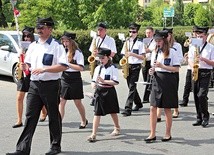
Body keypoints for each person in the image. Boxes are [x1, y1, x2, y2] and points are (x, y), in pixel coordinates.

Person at [6, 17, 68, 155]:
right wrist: (24, 66)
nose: (39, 30)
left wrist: (45, 69)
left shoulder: (56, 46)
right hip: (34, 84)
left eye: (42, 28)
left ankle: (55, 145)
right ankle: (22, 148)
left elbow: (63, 66)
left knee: (53, 115)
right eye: (38, 28)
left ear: (50, 29)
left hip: (51, 85)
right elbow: (28, 64)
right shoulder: (33, 45)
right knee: (30, 116)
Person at [144, 30, 180, 143]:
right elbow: (153, 66)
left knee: (167, 108)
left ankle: (168, 133)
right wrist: (151, 70)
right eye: (156, 41)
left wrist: (163, 66)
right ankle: (152, 133)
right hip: (156, 79)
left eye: (159, 41)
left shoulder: (172, 52)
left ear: (164, 40)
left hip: (168, 80)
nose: (157, 43)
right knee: (152, 107)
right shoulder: (155, 52)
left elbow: (176, 69)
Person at [13, 26, 47, 128]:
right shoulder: (21, 47)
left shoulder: (36, 46)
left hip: (32, 74)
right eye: (24, 36)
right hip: (23, 75)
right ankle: (19, 120)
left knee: (38, 96)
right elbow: (20, 61)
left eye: (28, 36)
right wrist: (21, 56)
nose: (26, 38)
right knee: (19, 98)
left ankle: (44, 111)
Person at [87, 48, 120, 142]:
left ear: (108, 57)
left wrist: (104, 81)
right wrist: (93, 85)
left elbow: (116, 82)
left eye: (102, 58)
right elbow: (93, 81)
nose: (101, 60)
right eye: (100, 58)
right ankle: (93, 134)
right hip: (100, 91)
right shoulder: (98, 68)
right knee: (97, 113)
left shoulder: (113, 68)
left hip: (109, 91)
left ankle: (117, 128)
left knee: (112, 111)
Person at [59, 31, 88, 129]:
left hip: (75, 78)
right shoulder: (63, 51)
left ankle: (83, 120)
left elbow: (81, 68)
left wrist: (68, 64)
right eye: (64, 41)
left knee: (77, 102)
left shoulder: (78, 52)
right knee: (62, 100)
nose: (65, 43)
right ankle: (59, 122)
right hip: (65, 77)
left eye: (67, 41)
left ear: (71, 41)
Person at [188, 26, 214, 128]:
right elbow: (189, 59)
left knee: (201, 95)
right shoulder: (193, 46)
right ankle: (199, 117)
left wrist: (203, 59)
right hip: (195, 70)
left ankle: (205, 116)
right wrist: (192, 66)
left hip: (205, 72)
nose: (199, 38)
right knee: (195, 95)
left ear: (206, 36)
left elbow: (213, 63)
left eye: (201, 36)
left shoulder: (211, 47)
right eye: (197, 36)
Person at [156, 28, 183, 121]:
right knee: (160, 94)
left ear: (170, 35)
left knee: (173, 92)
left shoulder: (177, 46)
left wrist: (169, 61)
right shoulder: (158, 48)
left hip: (172, 72)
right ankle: (158, 115)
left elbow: (180, 59)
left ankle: (176, 110)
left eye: (168, 35)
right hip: (160, 74)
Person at [88, 22, 117, 105]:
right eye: (98, 30)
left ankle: (100, 98)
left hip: (106, 62)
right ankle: (96, 97)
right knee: (95, 80)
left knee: (103, 81)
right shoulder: (95, 39)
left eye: (101, 30)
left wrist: (101, 52)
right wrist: (94, 54)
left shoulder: (110, 40)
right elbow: (92, 51)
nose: (99, 32)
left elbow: (113, 53)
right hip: (96, 61)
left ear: (105, 30)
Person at [121, 22, 145, 116]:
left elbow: (143, 57)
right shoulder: (126, 42)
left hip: (136, 66)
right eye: (130, 31)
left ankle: (128, 109)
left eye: (133, 32)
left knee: (131, 87)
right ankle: (138, 103)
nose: (131, 33)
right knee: (131, 86)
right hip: (128, 66)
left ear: (137, 32)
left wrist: (132, 54)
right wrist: (123, 64)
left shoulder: (140, 43)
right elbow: (123, 54)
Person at [179, 27, 197, 107]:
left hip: (197, 66)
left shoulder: (199, 41)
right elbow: (185, 44)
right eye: (193, 32)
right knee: (187, 84)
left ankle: (202, 100)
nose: (194, 33)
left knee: (196, 85)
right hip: (190, 66)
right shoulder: (191, 40)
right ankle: (185, 100)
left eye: (195, 32)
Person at [142, 26, 156, 103]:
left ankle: (146, 98)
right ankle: (149, 93)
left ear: (153, 33)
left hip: (151, 62)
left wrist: (142, 51)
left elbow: (149, 50)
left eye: (149, 32)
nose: (148, 34)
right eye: (147, 33)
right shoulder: (144, 41)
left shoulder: (154, 41)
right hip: (145, 61)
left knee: (149, 79)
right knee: (146, 80)